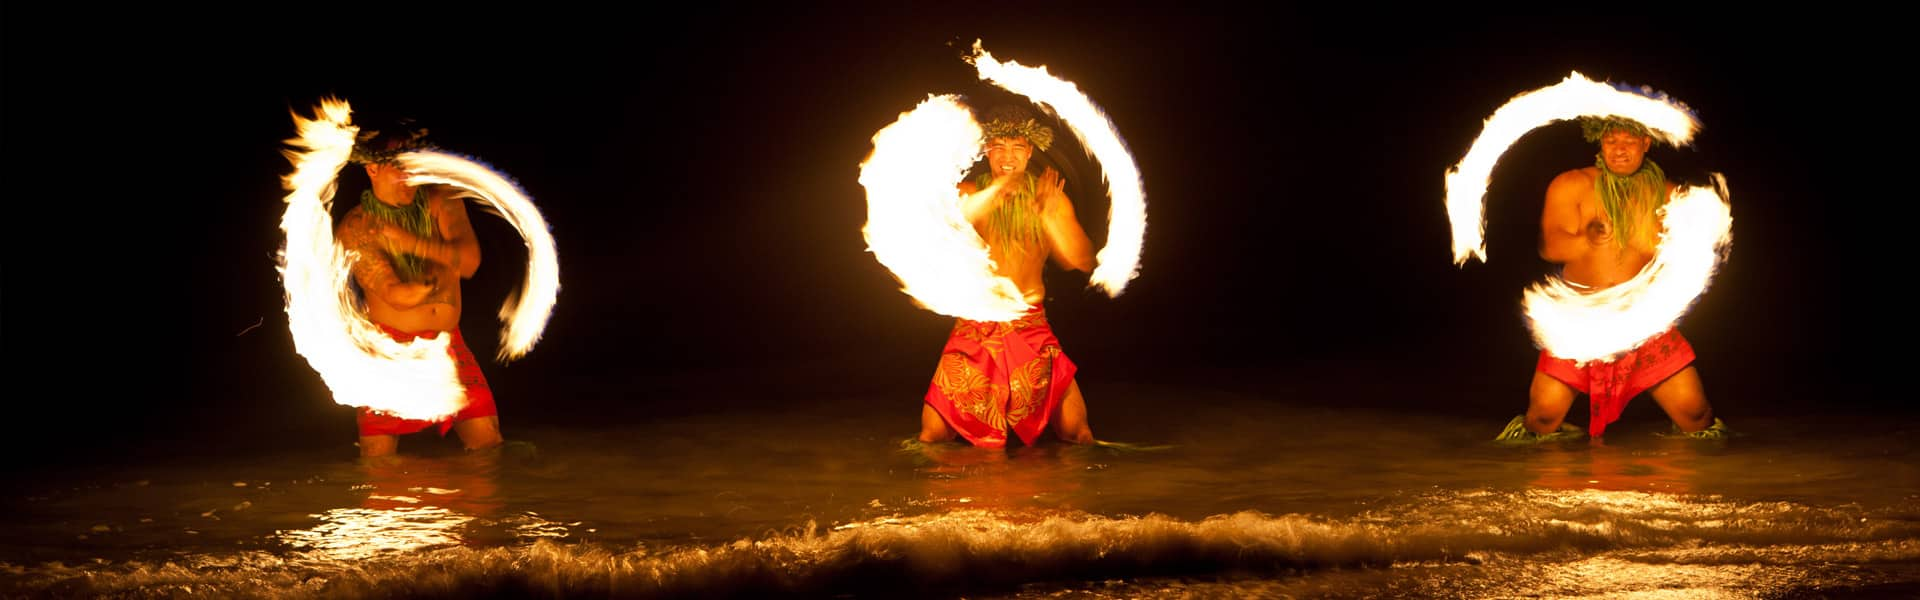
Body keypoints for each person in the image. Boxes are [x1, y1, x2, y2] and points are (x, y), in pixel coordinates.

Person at [1496, 116, 1729, 442]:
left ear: (1646, 143)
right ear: (1600, 143)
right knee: (1544, 415)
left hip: (1643, 323)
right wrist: (1587, 239)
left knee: (1696, 413)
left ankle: (1696, 481)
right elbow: (1550, 246)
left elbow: (1683, 255)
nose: (1619, 150)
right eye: (1611, 142)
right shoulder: (1571, 184)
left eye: (1629, 142)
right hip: (1580, 320)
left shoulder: (1668, 194)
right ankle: (1542, 481)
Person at [918, 105, 1098, 448]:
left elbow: (1081, 260)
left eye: (1017, 147)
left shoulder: (1051, 199)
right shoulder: (968, 194)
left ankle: (1071, 499)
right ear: (987, 151)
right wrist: (996, 194)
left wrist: (1047, 215)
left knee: (1079, 433)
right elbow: (945, 230)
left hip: (1030, 327)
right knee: (931, 436)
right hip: (975, 328)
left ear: (1029, 152)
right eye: (998, 146)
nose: (1007, 157)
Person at [336, 123, 503, 457]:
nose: (410, 177)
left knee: (488, 449)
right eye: (399, 170)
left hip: (448, 343)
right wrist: (432, 278)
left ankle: (476, 509)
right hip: (389, 352)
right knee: (379, 464)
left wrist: (410, 241)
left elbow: (469, 261)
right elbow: (395, 293)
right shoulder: (357, 227)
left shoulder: (441, 201)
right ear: (372, 169)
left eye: (413, 166)